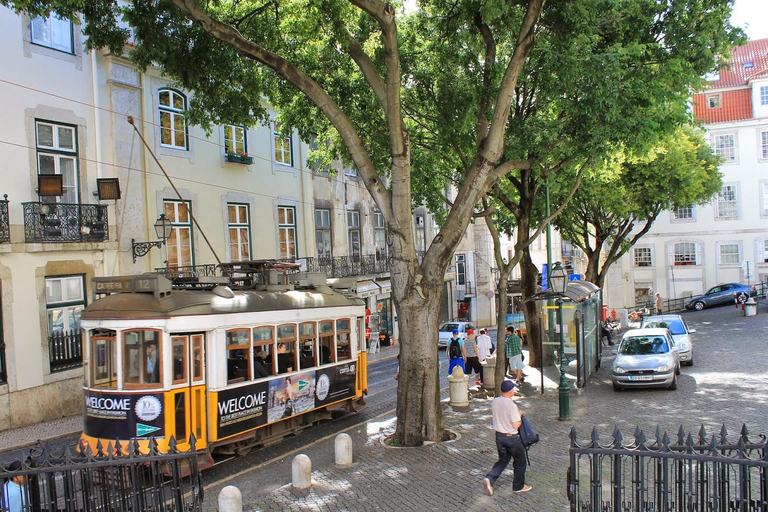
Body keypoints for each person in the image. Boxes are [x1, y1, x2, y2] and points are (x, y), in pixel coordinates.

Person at [483, 380, 531, 496]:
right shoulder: (511, 405)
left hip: (499, 436)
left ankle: (490, 478)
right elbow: (516, 425)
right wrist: (519, 416)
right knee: (520, 461)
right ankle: (518, 486)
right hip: (511, 438)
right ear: (510, 391)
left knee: (503, 459)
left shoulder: (495, 401)